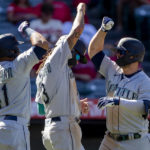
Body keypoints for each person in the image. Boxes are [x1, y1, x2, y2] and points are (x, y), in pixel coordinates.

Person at [88, 16, 150, 150]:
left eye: (120, 52)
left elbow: (147, 107)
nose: (117, 55)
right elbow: (93, 51)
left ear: (132, 56)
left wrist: (118, 101)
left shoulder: (144, 81)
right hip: (109, 140)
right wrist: (103, 30)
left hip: (135, 142)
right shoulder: (112, 68)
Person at [35, 3, 89, 150]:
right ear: (68, 49)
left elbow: (41, 109)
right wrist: (80, 10)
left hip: (50, 129)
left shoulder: (44, 70)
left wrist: (76, 106)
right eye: (77, 55)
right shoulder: (58, 58)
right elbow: (78, 30)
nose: (78, 60)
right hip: (64, 128)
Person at [0, 21, 48, 150]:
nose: (18, 50)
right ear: (11, 51)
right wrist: (26, 29)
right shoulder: (18, 65)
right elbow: (42, 45)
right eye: (16, 48)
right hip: (16, 127)